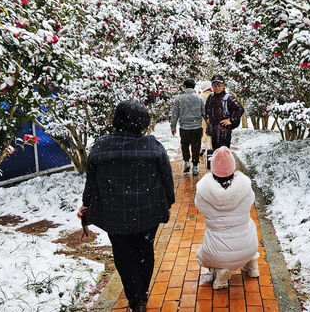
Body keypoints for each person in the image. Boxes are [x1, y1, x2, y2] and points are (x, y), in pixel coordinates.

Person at [77, 100, 175, 312]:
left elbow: (91, 180)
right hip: (148, 212)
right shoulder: (153, 146)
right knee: (145, 250)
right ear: (143, 122)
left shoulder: (101, 146)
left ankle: (136, 300)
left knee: (123, 253)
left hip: (114, 214)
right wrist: (168, 202)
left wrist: (86, 205)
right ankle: (142, 293)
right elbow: (167, 178)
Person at [194, 147, 259, 289]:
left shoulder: (203, 193)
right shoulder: (246, 188)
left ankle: (220, 271)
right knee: (249, 224)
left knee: (200, 257)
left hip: (216, 252)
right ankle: (252, 265)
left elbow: (198, 205)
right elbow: (251, 200)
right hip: (248, 248)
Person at [170, 79, 205, 175]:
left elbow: (175, 114)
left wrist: (173, 127)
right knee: (196, 146)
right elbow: (204, 113)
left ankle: (186, 162)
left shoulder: (179, 99)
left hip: (184, 127)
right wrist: (209, 125)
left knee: (185, 145)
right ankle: (195, 167)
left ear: (184, 86)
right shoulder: (199, 98)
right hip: (197, 127)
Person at [204, 75, 244, 150]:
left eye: (219, 84)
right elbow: (206, 110)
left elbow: (240, 109)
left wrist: (230, 120)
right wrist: (207, 118)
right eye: (214, 85)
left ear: (224, 85)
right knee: (214, 154)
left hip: (224, 132)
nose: (217, 87)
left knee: (223, 153)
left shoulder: (228, 98)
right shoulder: (210, 97)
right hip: (213, 131)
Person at [198, 80, 213, 154]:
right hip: (213, 117)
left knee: (203, 132)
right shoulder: (213, 95)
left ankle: (203, 146)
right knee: (212, 134)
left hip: (202, 117)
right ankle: (212, 149)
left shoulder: (200, 96)